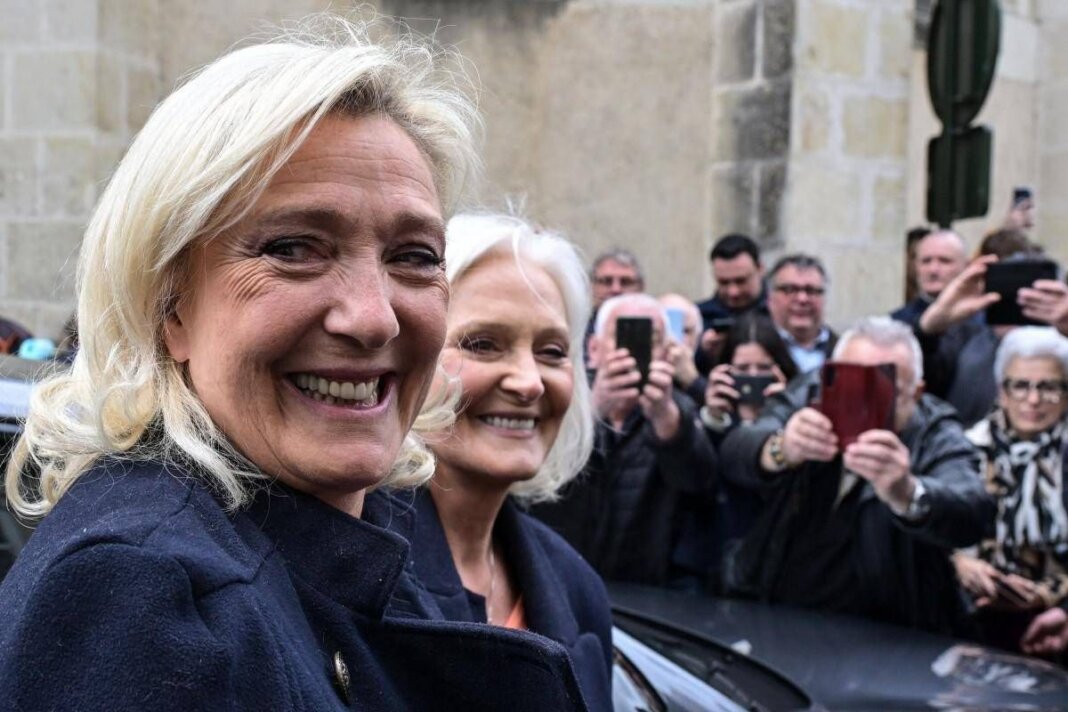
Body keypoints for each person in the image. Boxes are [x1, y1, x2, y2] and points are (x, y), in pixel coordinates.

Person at [0, 20, 588, 711]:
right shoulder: (140, 596)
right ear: (169, 305)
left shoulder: (352, 550)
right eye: (293, 248)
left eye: (414, 256)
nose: (374, 317)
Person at [385, 213, 612, 710]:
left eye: (551, 351)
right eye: (483, 344)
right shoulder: (357, 572)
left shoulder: (577, 588)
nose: (529, 382)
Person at [720, 317, 994, 634]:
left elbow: (971, 510)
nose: (864, 405)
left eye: (883, 391)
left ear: (916, 393)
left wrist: (907, 492)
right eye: (852, 387)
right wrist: (781, 449)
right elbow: (735, 451)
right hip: (782, 612)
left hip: (889, 631)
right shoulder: (808, 397)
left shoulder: (934, 431)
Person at [532, 293, 718, 587]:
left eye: (651, 338)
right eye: (622, 335)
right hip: (563, 574)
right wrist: (593, 411)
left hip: (646, 586)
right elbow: (538, 480)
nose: (634, 350)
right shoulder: (562, 402)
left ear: (667, 352)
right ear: (594, 349)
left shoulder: (679, 410)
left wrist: (666, 420)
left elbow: (700, 483)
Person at [953, 327, 1068, 657]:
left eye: (1048, 387)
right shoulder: (964, 450)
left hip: (1056, 624)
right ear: (1002, 392)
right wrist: (959, 563)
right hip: (969, 622)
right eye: (1020, 386)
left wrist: (1049, 597)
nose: (1033, 400)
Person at [696, 233, 767, 370]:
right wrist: (702, 352)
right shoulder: (698, 318)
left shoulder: (781, 315)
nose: (733, 292)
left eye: (741, 281)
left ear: (760, 269)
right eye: (723, 282)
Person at [766, 253, 837, 373]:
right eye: (790, 290)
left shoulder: (843, 352)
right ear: (770, 298)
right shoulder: (752, 349)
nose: (802, 299)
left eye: (811, 290)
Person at [891, 230, 968, 328]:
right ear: (916, 266)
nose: (933, 270)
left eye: (944, 261)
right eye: (926, 261)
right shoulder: (896, 324)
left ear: (966, 266)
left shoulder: (983, 319)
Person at [658, 292, 706, 406]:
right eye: (667, 331)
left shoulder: (709, 368)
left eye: (686, 331)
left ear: (698, 335)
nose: (676, 341)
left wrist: (693, 380)